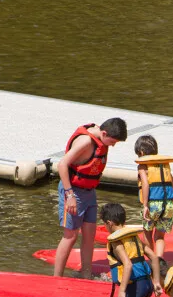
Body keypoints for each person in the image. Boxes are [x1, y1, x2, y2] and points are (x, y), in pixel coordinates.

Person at [53, 118, 128, 280]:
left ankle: (86, 274)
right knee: (70, 236)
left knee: (89, 235)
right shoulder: (86, 142)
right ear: (104, 133)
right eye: (112, 142)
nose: (112, 146)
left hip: (89, 192)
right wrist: (70, 195)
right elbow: (62, 165)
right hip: (73, 192)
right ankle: (56, 278)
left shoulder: (101, 136)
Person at [134, 135, 173, 259]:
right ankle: (159, 260)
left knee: (147, 233)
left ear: (141, 152)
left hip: (153, 205)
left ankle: (152, 261)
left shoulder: (143, 166)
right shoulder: (164, 165)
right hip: (168, 205)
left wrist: (145, 205)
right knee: (159, 237)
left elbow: (145, 185)